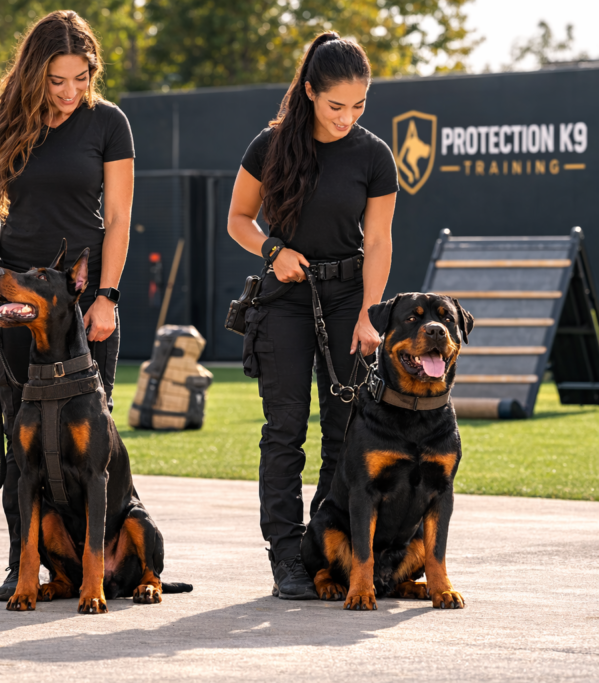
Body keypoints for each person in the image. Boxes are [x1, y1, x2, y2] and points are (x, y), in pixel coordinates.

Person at [226, 32, 398, 600]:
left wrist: (371, 315)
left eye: (359, 106)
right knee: (285, 431)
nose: (347, 117)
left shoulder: (374, 155)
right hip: (284, 300)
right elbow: (239, 221)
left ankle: (319, 548)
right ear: (309, 93)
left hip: (350, 299)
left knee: (344, 431)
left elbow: (378, 241)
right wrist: (273, 251)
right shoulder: (269, 145)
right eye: (335, 106)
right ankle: (284, 554)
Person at [0, 10, 135, 601]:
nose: (70, 93)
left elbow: (117, 218)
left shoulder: (109, 124)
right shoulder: (0, 122)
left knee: (92, 446)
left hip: (84, 298)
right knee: (23, 444)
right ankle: (23, 567)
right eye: (57, 80)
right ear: (33, 73)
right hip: (17, 296)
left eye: (81, 78)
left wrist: (107, 296)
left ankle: (92, 567)